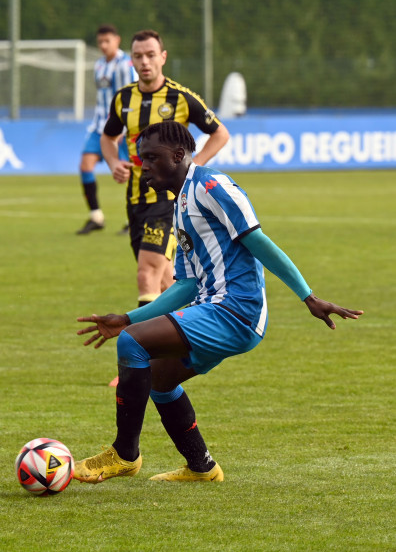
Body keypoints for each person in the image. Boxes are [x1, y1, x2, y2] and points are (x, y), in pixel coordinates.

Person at [73, 121, 362, 484]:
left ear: (178, 155)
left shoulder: (212, 186)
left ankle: (124, 454)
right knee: (161, 379)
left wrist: (309, 296)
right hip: (212, 308)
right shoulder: (180, 206)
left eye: (151, 158)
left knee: (134, 344)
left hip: (236, 310)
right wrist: (128, 317)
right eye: (141, 159)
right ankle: (202, 468)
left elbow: (260, 243)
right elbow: (187, 285)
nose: (144, 167)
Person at [101, 29, 231, 311]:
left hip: (169, 200)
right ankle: (189, 337)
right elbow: (108, 137)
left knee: (146, 272)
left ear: (163, 57)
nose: (144, 61)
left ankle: (144, 348)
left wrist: (193, 167)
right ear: (131, 61)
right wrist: (113, 162)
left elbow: (220, 133)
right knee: (164, 282)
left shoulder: (181, 98)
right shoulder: (123, 99)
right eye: (138, 56)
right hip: (136, 199)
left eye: (150, 55)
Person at [76, 24, 138, 235]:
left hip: (119, 127)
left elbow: (130, 95)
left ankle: (135, 219)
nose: (103, 45)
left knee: (128, 172)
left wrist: (123, 126)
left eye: (107, 41)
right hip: (98, 126)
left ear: (117, 40)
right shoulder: (99, 65)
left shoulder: (125, 65)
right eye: (100, 42)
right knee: (85, 165)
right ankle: (96, 217)